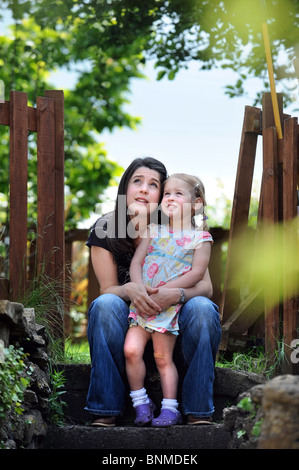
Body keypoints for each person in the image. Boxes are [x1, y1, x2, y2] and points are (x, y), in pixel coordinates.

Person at [85, 157, 221, 427]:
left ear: (162, 193)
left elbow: (205, 286)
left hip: (172, 327)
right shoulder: (107, 227)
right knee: (105, 304)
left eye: (154, 184)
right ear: (126, 188)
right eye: (138, 181)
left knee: (203, 307)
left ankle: (197, 410)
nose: (145, 189)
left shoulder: (178, 223)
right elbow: (107, 289)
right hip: (132, 328)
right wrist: (131, 290)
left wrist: (176, 294)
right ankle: (107, 407)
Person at [124, 174, 214, 427]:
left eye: (178, 193)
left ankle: (170, 408)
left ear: (196, 204)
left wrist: (166, 291)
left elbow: (197, 273)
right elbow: (137, 262)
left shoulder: (201, 238)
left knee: (163, 357)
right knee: (131, 350)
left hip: (168, 305)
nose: (170, 197)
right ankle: (140, 402)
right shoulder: (154, 231)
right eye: (166, 193)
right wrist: (141, 289)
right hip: (143, 302)